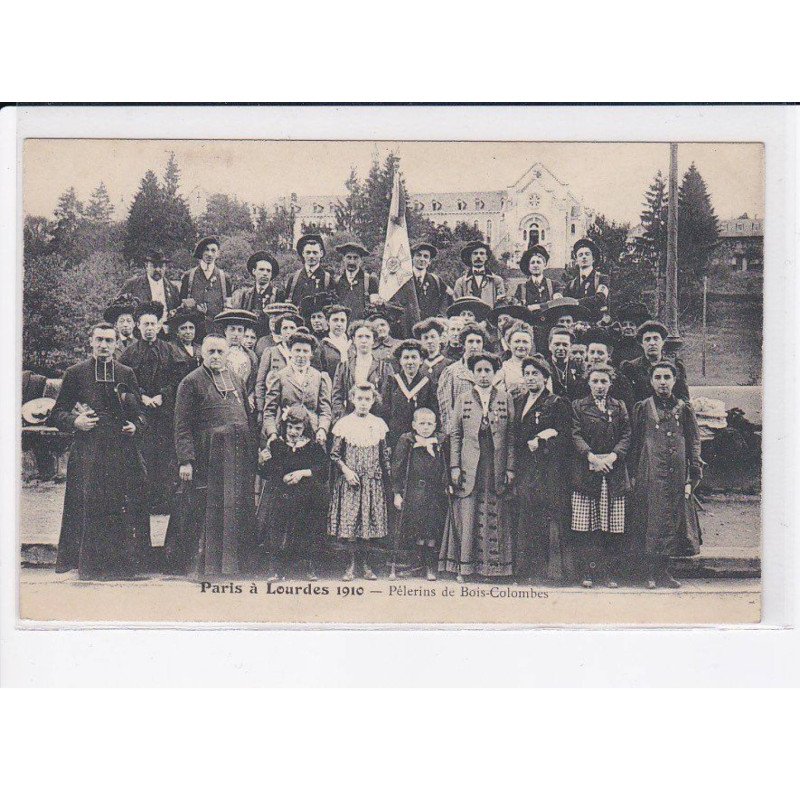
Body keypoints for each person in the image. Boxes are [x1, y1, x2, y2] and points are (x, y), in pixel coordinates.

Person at [52, 322, 150, 579]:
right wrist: (76, 422)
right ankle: (89, 567)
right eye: (99, 340)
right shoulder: (75, 373)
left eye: (109, 340)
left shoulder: (126, 372)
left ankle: (121, 567)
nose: (104, 345)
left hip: (121, 452)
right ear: (91, 341)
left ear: (117, 343)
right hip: (89, 452)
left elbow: (141, 413)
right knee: (89, 505)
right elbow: (57, 414)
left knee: (121, 506)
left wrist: (135, 425)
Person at [170, 335, 255, 577]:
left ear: (227, 353)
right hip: (209, 457)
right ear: (202, 355)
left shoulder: (236, 379)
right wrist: (185, 460)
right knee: (210, 510)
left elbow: (246, 416)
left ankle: (235, 566)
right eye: (211, 352)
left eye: (220, 351)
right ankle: (207, 568)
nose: (216, 356)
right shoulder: (190, 382)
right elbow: (182, 424)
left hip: (238, 455)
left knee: (236, 507)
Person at [439, 352, 515, 581]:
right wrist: (454, 466)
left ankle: (494, 568)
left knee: (495, 508)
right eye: (479, 371)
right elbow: (455, 434)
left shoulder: (504, 397)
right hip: (470, 463)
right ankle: (465, 567)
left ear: (495, 374)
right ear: (472, 374)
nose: (483, 375)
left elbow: (511, 436)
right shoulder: (463, 398)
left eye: (487, 371)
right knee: (468, 510)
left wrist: (510, 468)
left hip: (495, 463)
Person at [630, 361, 704, 589]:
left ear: (674, 381)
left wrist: (693, 470)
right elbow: (635, 442)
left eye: (667, 377)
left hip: (677, 471)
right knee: (650, 518)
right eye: (658, 377)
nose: (662, 382)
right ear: (651, 381)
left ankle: (665, 572)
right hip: (650, 469)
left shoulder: (684, 408)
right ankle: (649, 573)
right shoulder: (643, 407)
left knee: (672, 519)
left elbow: (693, 439)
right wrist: (633, 472)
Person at [570, 364, 632, 589]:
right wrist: (592, 458)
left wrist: (612, 458)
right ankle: (588, 572)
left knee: (611, 526)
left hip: (613, 471)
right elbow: (574, 434)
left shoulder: (619, 406)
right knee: (588, 526)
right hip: (587, 471)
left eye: (603, 382)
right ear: (588, 383)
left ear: (610, 384)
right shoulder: (578, 406)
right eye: (595, 381)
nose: (599, 386)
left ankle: (609, 573)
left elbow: (627, 434)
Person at [119, 300, 183, 515]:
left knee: (164, 455)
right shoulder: (129, 353)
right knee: (142, 454)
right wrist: (142, 397)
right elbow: (124, 382)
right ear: (138, 326)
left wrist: (162, 395)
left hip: (165, 412)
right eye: (144, 324)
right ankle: (142, 501)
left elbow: (180, 380)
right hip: (140, 412)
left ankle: (163, 500)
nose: (148, 328)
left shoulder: (170, 350)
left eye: (152, 324)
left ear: (159, 325)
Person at [513, 356, 572, 582]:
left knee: (546, 517)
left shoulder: (557, 402)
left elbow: (565, 435)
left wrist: (544, 440)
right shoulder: (518, 401)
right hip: (525, 467)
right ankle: (526, 570)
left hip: (549, 469)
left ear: (546, 378)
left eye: (535, 374)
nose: (530, 378)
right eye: (527, 374)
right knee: (526, 516)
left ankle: (550, 572)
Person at [256, 404, 328, 581]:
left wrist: (302, 473)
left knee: (307, 527)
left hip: (306, 495)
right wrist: (263, 462)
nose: (293, 432)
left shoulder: (312, 447)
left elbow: (324, 471)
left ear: (305, 428)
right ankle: (276, 569)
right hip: (281, 494)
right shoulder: (277, 445)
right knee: (277, 527)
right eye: (290, 427)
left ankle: (308, 567)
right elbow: (267, 473)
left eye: (298, 428)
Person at [328, 382, 391, 581]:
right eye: (359, 399)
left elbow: (384, 455)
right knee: (351, 526)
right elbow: (335, 454)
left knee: (367, 527)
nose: (363, 403)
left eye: (367, 399)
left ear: (373, 401)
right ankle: (350, 566)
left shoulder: (378, 424)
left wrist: (389, 479)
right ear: (352, 399)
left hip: (372, 482)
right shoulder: (344, 423)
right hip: (351, 482)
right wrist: (346, 472)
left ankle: (366, 565)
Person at [392, 407, 448, 581]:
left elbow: (446, 465)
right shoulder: (407, 440)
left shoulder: (440, 441)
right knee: (416, 525)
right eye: (422, 423)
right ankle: (416, 563)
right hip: (414, 491)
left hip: (435, 491)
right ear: (414, 425)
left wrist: (448, 483)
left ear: (435, 425)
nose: (425, 427)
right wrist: (397, 493)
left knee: (432, 526)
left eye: (429, 424)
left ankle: (430, 564)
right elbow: (397, 468)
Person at [262, 331, 332, 448]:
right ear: (290, 351)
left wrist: (322, 429)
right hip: (286, 433)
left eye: (305, 351)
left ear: (311, 354)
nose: (301, 355)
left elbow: (325, 409)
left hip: (312, 435)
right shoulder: (279, 376)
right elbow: (269, 410)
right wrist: (272, 433)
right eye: (297, 350)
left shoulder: (318, 377)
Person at [331, 320, 394, 422]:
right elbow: (337, 397)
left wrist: (377, 421)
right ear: (353, 339)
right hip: (349, 420)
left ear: (373, 340)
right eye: (360, 336)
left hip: (375, 422)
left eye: (368, 337)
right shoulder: (344, 367)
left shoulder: (384, 368)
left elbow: (387, 399)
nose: (364, 340)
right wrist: (344, 419)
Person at [380, 339, 437, 449]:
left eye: (414, 357)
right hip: (395, 438)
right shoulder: (392, 381)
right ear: (400, 361)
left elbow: (434, 411)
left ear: (421, 360)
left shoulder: (428, 383)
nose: (410, 362)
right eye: (406, 358)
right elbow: (384, 411)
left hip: (420, 439)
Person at [621, 320, 690, 404]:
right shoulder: (631, 368)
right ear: (641, 344)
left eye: (656, 338)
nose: (652, 343)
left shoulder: (675, 366)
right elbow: (629, 401)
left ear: (663, 342)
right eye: (647, 339)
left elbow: (683, 398)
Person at [436, 322, 487, 436]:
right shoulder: (451, 371)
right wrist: (452, 433)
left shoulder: (491, 371)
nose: (474, 345)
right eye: (470, 341)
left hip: (485, 432)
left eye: (478, 342)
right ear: (463, 343)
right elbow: (445, 406)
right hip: (461, 432)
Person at [254, 311, 305, 416]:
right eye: (285, 328)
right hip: (274, 407)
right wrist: (260, 409)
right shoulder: (271, 352)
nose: (288, 331)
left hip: (296, 406)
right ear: (280, 332)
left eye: (292, 328)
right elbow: (260, 382)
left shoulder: (303, 353)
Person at [579, 328, 635, 413]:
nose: (595, 356)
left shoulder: (620, 380)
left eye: (600, 353)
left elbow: (628, 410)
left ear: (608, 356)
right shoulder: (581, 380)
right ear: (587, 354)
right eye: (592, 352)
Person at [179, 236, 233, 325]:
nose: (209, 254)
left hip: (216, 329)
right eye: (206, 250)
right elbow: (181, 303)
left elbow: (228, 307)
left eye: (213, 250)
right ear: (201, 252)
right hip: (194, 329)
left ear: (218, 253)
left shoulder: (225, 278)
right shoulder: (188, 276)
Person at [230, 250, 285, 334]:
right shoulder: (244, 295)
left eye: (268, 271)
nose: (265, 273)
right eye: (261, 270)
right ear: (254, 271)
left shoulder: (279, 294)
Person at [215, 309, 260, 408]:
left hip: (244, 404)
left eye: (240, 330)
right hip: (221, 404)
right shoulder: (217, 353)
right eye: (232, 329)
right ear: (225, 331)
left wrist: (250, 397)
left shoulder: (251, 356)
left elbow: (254, 383)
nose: (236, 334)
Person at [120, 250, 181, 323]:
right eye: (154, 266)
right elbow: (118, 306)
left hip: (166, 330)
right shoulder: (132, 284)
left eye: (161, 266)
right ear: (146, 266)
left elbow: (178, 311)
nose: (158, 270)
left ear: (165, 267)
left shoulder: (172, 288)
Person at [564, 238, 610, 321]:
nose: (584, 257)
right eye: (580, 255)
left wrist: (575, 303)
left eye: (587, 254)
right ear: (577, 260)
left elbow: (600, 298)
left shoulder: (602, 278)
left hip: (596, 325)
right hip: (575, 326)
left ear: (593, 259)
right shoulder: (571, 285)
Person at [332, 241, 379, 320]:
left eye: (355, 258)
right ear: (343, 259)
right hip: (342, 326)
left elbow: (375, 307)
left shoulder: (370, 280)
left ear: (361, 260)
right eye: (349, 257)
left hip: (363, 327)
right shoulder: (337, 282)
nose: (352, 262)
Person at [452, 241, 506, 308]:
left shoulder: (497, 280)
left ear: (486, 257)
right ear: (470, 257)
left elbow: (501, 305)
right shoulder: (461, 282)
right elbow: (456, 305)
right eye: (475, 253)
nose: (478, 256)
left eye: (482, 253)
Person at [285, 233, 334, 306]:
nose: (311, 256)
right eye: (308, 252)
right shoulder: (294, 279)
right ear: (303, 254)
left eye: (315, 253)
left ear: (321, 253)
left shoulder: (327, 279)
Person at [410, 242, 451, 319]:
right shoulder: (404, 279)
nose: (422, 259)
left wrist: (441, 317)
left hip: (429, 327)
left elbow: (447, 300)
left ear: (429, 261)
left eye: (426, 257)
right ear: (412, 258)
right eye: (418, 255)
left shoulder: (436, 280)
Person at [514, 245, 562, 310]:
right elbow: (517, 309)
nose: (535, 265)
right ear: (529, 267)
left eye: (538, 262)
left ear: (544, 265)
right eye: (532, 263)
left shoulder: (554, 285)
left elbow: (558, 303)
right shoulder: (521, 288)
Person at [496, 320, 535, 398]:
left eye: (525, 342)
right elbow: (498, 398)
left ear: (531, 344)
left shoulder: (539, 366)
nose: (521, 345)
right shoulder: (503, 368)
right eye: (517, 341)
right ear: (509, 344)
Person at [413, 317, 452, 393]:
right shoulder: (418, 365)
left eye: (433, 337)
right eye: (425, 338)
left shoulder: (448, 364)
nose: (429, 341)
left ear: (440, 338)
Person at [547, 326, 584, 400]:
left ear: (570, 347)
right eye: (557, 344)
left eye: (565, 345)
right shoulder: (544, 366)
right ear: (550, 346)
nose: (561, 348)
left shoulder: (579, 367)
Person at [317, 303, 352, 380]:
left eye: (342, 320)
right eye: (335, 320)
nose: (339, 324)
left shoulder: (352, 344)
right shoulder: (322, 346)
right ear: (328, 322)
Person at [171, 306, 205, 381]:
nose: (188, 332)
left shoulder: (201, 348)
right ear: (177, 332)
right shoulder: (170, 348)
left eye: (191, 328)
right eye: (183, 328)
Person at [104, 294, 140, 358]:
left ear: (134, 324)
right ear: (116, 325)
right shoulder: (111, 346)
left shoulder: (141, 345)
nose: (125, 325)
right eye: (121, 321)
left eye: (129, 321)